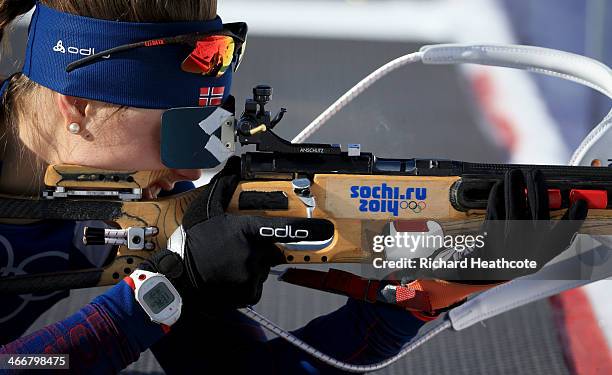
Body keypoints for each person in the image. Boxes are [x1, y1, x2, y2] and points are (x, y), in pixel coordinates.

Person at [0, 1, 587, 374]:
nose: (193, 170)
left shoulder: (142, 207)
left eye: (211, 133)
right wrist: (156, 295)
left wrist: (436, 287)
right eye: (179, 134)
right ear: (76, 106)